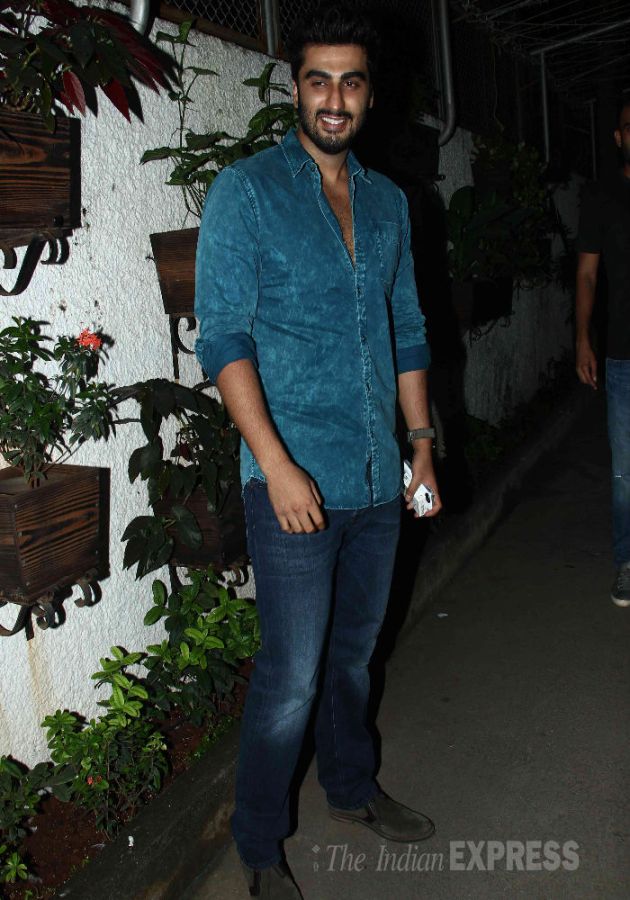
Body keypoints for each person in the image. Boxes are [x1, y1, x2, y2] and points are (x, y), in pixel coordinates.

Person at [195, 7, 441, 896]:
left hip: (378, 475)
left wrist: (421, 447)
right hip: (291, 480)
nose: (334, 98)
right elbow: (222, 338)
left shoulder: (389, 203)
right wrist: (276, 464)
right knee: (292, 676)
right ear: (294, 88)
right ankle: (260, 846)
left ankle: (351, 788)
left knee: (353, 657)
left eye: (351, 81)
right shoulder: (247, 192)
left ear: (371, 94)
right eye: (318, 79)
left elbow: (406, 329)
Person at [575, 99, 630, 608]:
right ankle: (627, 562)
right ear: (618, 137)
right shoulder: (601, 197)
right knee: (624, 471)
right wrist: (583, 339)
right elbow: (588, 274)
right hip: (622, 355)